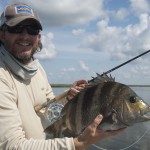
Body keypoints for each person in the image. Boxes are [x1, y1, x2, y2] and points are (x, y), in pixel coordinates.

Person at [0, 3, 124, 150]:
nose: (25, 35)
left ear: (38, 37)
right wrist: (77, 143)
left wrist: (68, 97)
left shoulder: (36, 68)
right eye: (16, 28)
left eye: (32, 29)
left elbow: (49, 111)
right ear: (2, 34)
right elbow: (13, 146)